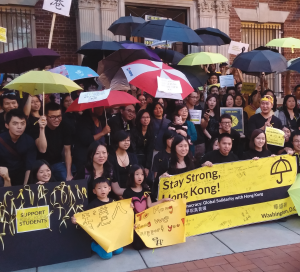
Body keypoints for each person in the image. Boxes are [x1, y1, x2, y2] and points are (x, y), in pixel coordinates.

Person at [71, 177, 124, 259]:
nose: (102, 190)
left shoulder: (113, 202)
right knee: (107, 255)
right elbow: (85, 217)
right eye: (99, 188)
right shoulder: (93, 205)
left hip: (111, 234)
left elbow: (121, 211)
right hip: (99, 237)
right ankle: (94, 245)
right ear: (94, 191)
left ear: (109, 189)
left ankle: (107, 245)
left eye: (105, 187)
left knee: (119, 250)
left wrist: (130, 206)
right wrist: (76, 220)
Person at [122, 165, 172, 250]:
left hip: (146, 221)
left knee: (151, 242)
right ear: (131, 175)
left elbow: (150, 205)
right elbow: (125, 211)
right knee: (138, 247)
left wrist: (163, 200)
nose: (139, 177)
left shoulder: (146, 190)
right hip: (135, 224)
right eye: (136, 174)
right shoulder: (127, 192)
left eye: (142, 174)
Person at [30, 102, 74, 181]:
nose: (57, 119)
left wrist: (69, 174)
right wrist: (42, 129)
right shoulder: (37, 126)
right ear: (46, 117)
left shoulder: (65, 125)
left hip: (58, 162)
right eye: (53, 117)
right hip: (41, 164)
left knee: (67, 182)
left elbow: (67, 151)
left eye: (59, 116)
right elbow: (42, 149)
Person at [0, 109, 36, 185]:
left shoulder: (29, 140)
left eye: (23, 123)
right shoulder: (1, 139)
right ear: (7, 125)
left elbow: (29, 166)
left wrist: (25, 185)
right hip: (2, 174)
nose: (19, 127)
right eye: (15, 124)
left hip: (21, 175)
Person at [152, 130, 175, 199]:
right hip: (163, 189)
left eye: (174, 139)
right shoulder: (158, 156)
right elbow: (156, 176)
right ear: (165, 140)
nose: (172, 141)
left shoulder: (179, 155)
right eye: (170, 139)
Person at [130, 110, 154, 177]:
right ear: (139, 119)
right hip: (135, 157)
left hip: (146, 158)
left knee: (149, 178)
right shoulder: (134, 131)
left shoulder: (151, 131)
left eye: (148, 117)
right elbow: (133, 149)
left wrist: (147, 167)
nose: (146, 119)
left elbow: (150, 149)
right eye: (143, 117)